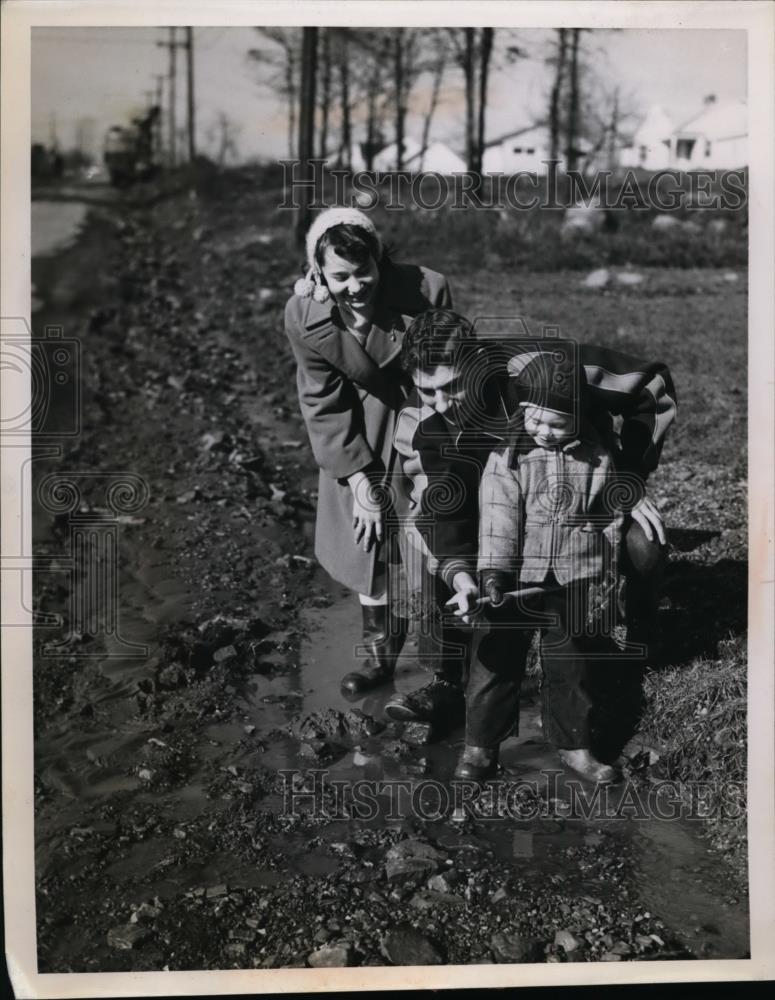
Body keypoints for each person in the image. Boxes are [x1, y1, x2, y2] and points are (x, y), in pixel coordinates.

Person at [389, 309, 675, 738]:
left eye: (451, 387)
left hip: (583, 502)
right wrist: (463, 573)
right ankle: (448, 682)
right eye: (428, 392)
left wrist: (629, 477)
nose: (442, 404)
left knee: (643, 545)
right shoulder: (428, 423)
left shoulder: (543, 367)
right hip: (499, 516)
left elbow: (652, 386)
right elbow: (444, 511)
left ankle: (633, 650)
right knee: (431, 550)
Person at [284, 207, 453, 697]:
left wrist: (427, 446)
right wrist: (359, 481)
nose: (355, 286)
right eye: (339, 276)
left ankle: (444, 664)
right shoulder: (303, 315)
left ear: (379, 261)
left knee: (427, 537)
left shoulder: (427, 291)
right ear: (318, 270)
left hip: (416, 417)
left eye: (364, 272)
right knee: (367, 540)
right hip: (351, 429)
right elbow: (320, 399)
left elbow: (439, 366)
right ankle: (379, 654)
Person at [459, 347, 634, 784]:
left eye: (559, 423)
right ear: (522, 413)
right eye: (536, 420)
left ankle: (576, 747)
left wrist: (601, 572)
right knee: (494, 662)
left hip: (572, 577)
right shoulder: (509, 458)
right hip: (514, 579)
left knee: (571, 665)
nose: (546, 431)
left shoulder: (597, 458)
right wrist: (494, 574)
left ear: (579, 418)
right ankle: (480, 745)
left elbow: (607, 519)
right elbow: (498, 519)